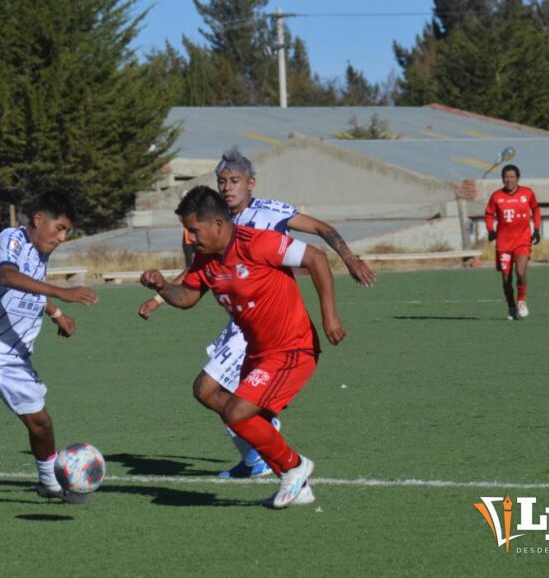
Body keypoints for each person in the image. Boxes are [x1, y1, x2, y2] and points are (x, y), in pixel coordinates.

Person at [138, 147, 375, 479]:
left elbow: (319, 234)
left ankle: (264, 451)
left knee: (217, 395)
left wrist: (350, 260)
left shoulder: (267, 217)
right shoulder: (209, 229)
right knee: (217, 397)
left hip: (274, 323)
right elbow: (196, 276)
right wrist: (161, 294)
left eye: (234, 180)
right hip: (241, 322)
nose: (227, 187)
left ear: (251, 183)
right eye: (222, 181)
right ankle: (260, 448)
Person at [0, 191, 99, 527]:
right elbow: (9, 276)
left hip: (13, 358)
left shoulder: (41, 253)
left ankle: (50, 484)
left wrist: (56, 314)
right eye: (60, 228)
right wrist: (62, 292)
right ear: (39, 220)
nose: (62, 237)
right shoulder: (12, 238)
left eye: (67, 231)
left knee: (42, 425)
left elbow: (29, 287)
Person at [485, 164, 540, 320]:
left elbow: (535, 209)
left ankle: (521, 300)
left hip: (522, 240)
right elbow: (489, 214)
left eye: (512, 177)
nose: (509, 180)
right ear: (503, 178)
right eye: (506, 177)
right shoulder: (496, 196)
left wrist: (536, 229)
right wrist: (490, 230)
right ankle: (511, 307)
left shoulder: (527, 193)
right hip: (503, 244)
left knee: (520, 272)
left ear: (517, 178)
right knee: (506, 279)